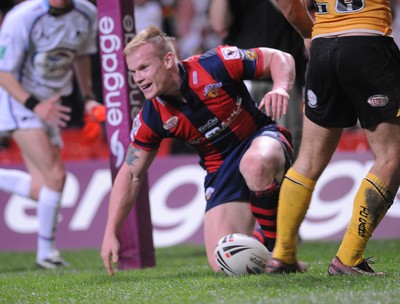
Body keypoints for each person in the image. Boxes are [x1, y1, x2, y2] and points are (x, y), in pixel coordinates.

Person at [101, 26, 296, 275]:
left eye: (144, 68)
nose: (138, 78)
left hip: (261, 139)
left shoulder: (215, 64)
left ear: (168, 59)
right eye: (133, 72)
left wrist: (280, 87)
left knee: (254, 164)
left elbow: (280, 58)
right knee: (224, 262)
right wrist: (110, 232)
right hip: (220, 170)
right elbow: (130, 174)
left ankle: (281, 251)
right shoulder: (152, 118)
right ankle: (270, 237)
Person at [266, 0, 400, 275]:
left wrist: (308, 33)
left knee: (308, 160)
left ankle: (282, 255)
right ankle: (349, 258)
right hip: (370, 43)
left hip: (323, 48)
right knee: (391, 157)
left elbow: (290, 7)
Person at [0, 0, 101, 269]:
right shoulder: (22, 17)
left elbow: (81, 56)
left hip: (52, 104)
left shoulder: (86, 13)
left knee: (42, 189)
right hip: (19, 101)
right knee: (56, 177)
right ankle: (46, 254)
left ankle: (46, 253)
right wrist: (35, 105)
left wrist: (88, 96)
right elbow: (2, 71)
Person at [209, 0, 308, 157]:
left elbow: (298, 10)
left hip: (282, 76)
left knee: (289, 144)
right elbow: (219, 24)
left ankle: (288, 182)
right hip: (241, 76)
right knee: (241, 145)